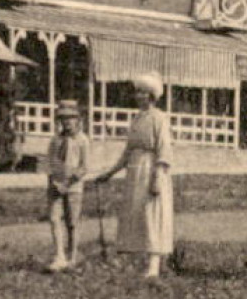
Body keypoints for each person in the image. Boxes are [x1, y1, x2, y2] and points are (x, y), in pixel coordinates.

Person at [95, 73, 175, 279]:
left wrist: (158, 176)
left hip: (153, 169)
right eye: (137, 92)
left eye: (143, 92)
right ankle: (139, 260)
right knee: (135, 213)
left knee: (152, 213)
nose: (138, 96)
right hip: (135, 170)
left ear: (151, 96)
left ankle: (154, 265)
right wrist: (110, 173)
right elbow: (128, 151)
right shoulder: (137, 119)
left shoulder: (159, 118)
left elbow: (164, 149)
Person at [44, 100, 90, 272]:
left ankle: (73, 257)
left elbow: (84, 167)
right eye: (63, 119)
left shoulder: (82, 140)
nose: (67, 122)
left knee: (72, 222)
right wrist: (53, 182)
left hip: (73, 187)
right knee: (54, 218)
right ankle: (59, 255)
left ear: (77, 120)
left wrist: (68, 183)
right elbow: (49, 163)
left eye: (71, 118)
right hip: (55, 186)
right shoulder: (56, 140)